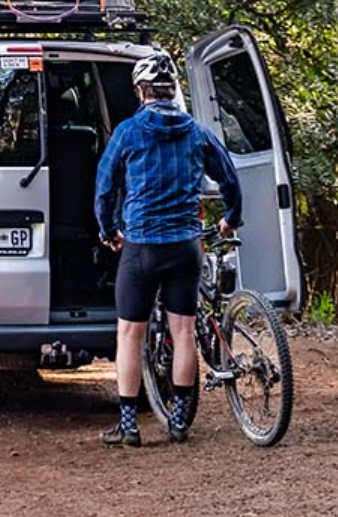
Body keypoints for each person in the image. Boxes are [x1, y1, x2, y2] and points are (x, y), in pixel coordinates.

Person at [94, 51, 242, 447]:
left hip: (141, 246)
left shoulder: (128, 132)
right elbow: (229, 177)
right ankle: (179, 421)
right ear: (173, 89)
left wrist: (108, 230)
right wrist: (231, 216)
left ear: (141, 91)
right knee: (184, 332)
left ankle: (129, 426)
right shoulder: (196, 132)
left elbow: (105, 187)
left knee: (129, 334)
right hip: (184, 247)